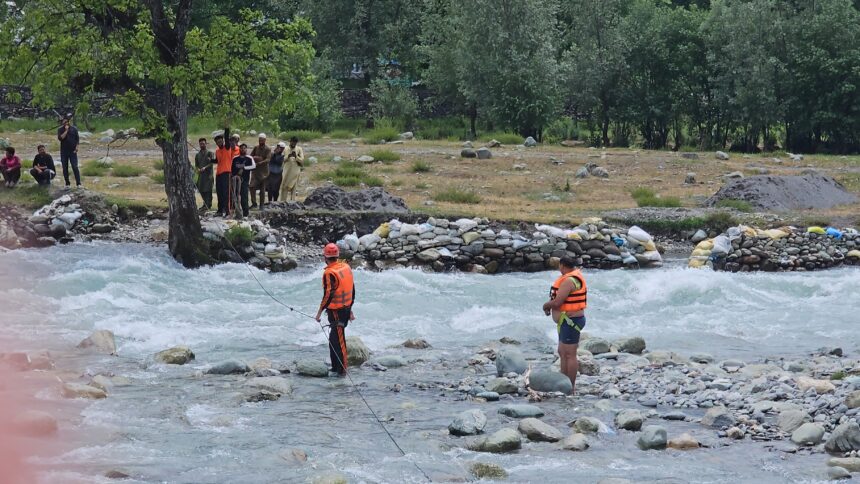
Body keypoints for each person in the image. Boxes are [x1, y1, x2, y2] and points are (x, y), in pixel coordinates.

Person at [542, 255, 587, 394]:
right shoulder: (574, 276)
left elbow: (557, 302)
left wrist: (546, 305)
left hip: (571, 322)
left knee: (570, 354)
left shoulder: (569, 280)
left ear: (562, 265)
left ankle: (571, 387)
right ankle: (563, 382)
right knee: (562, 352)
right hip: (565, 322)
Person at [315, 243, 355, 376]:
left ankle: (342, 372)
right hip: (345, 309)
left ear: (325, 257)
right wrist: (350, 309)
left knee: (339, 341)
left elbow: (328, 295)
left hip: (337, 312)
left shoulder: (329, 273)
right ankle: (334, 368)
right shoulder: (346, 267)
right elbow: (352, 289)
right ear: (337, 256)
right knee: (334, 340)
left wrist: (319, 312)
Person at [214, 133, 238, 216]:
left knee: (226, 193)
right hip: (218, 174)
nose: (219, 143)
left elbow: (227, 139)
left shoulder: (227, 147)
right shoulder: (217, 151)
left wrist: (226, 128)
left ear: (223, 141)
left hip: (226, 172)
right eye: (218, 142)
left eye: (221, 141)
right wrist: (211, 160)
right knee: (219, 192)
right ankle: (220, 210)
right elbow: (217, 161)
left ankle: (227, 211)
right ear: (216, 143)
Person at [230, 143, 256, 218]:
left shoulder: (249, 158)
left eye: (244, 148)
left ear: (246, 149)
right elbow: (231, 169)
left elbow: (254, 166)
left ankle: (245, 214)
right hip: (235, 181)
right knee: (234, 196)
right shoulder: (235, 158)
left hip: (244, 180)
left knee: (244, 197)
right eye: (241, 148)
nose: (243, 149)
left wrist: (244, 168)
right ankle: (236, 212)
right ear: (239, 149)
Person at [56, 114, 81, 187]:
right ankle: (67, 183)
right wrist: (66, 130)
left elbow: (77, 139)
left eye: (66, 121)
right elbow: (61, 138)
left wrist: (77, 147)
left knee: (75, 166)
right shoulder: (60, 129)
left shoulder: (74, 129)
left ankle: (78, 183)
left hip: (72, 151)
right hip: (64, 152)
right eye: (63, 121)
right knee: (65, 167)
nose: (65, 122)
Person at [249, 133, 272, 208]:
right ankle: (254, 203)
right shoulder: (256, 147)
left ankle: (261, 205)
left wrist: (260, 162)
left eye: (262, 140)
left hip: (263, 172)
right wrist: (255, 158)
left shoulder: (268, 149)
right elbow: (251, 156)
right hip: (255, 171)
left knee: (262, 189)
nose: (260, 141)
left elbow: (268, 159)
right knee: (252, 187)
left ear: (265, 140)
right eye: (259, 139)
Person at [279, 136, 304, 201]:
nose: (293, 144)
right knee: (284, 187)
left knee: (294, 188)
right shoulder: (285, 149)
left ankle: (292, 203)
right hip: (286, 171)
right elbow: (281, 160)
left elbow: (302, 160)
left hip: (295, 172)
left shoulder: (299, 149)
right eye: (292, 142)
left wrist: (296, 157)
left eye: (295, 143)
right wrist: (288, 156)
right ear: (290, 141)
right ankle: (282, 202)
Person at [194, 138, 215, 211]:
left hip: (208, 175)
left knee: (208, 191)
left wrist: (205, 168)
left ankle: (208, 205)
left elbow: (211, 163)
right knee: (201, 190)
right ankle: (204, 205)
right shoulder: (197, 155)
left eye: (203, 143)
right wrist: (198, 169)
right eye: (201, 144)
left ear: (206, 144)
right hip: (201, 176)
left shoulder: (210, 153)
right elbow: (196, 165)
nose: (202, 145)